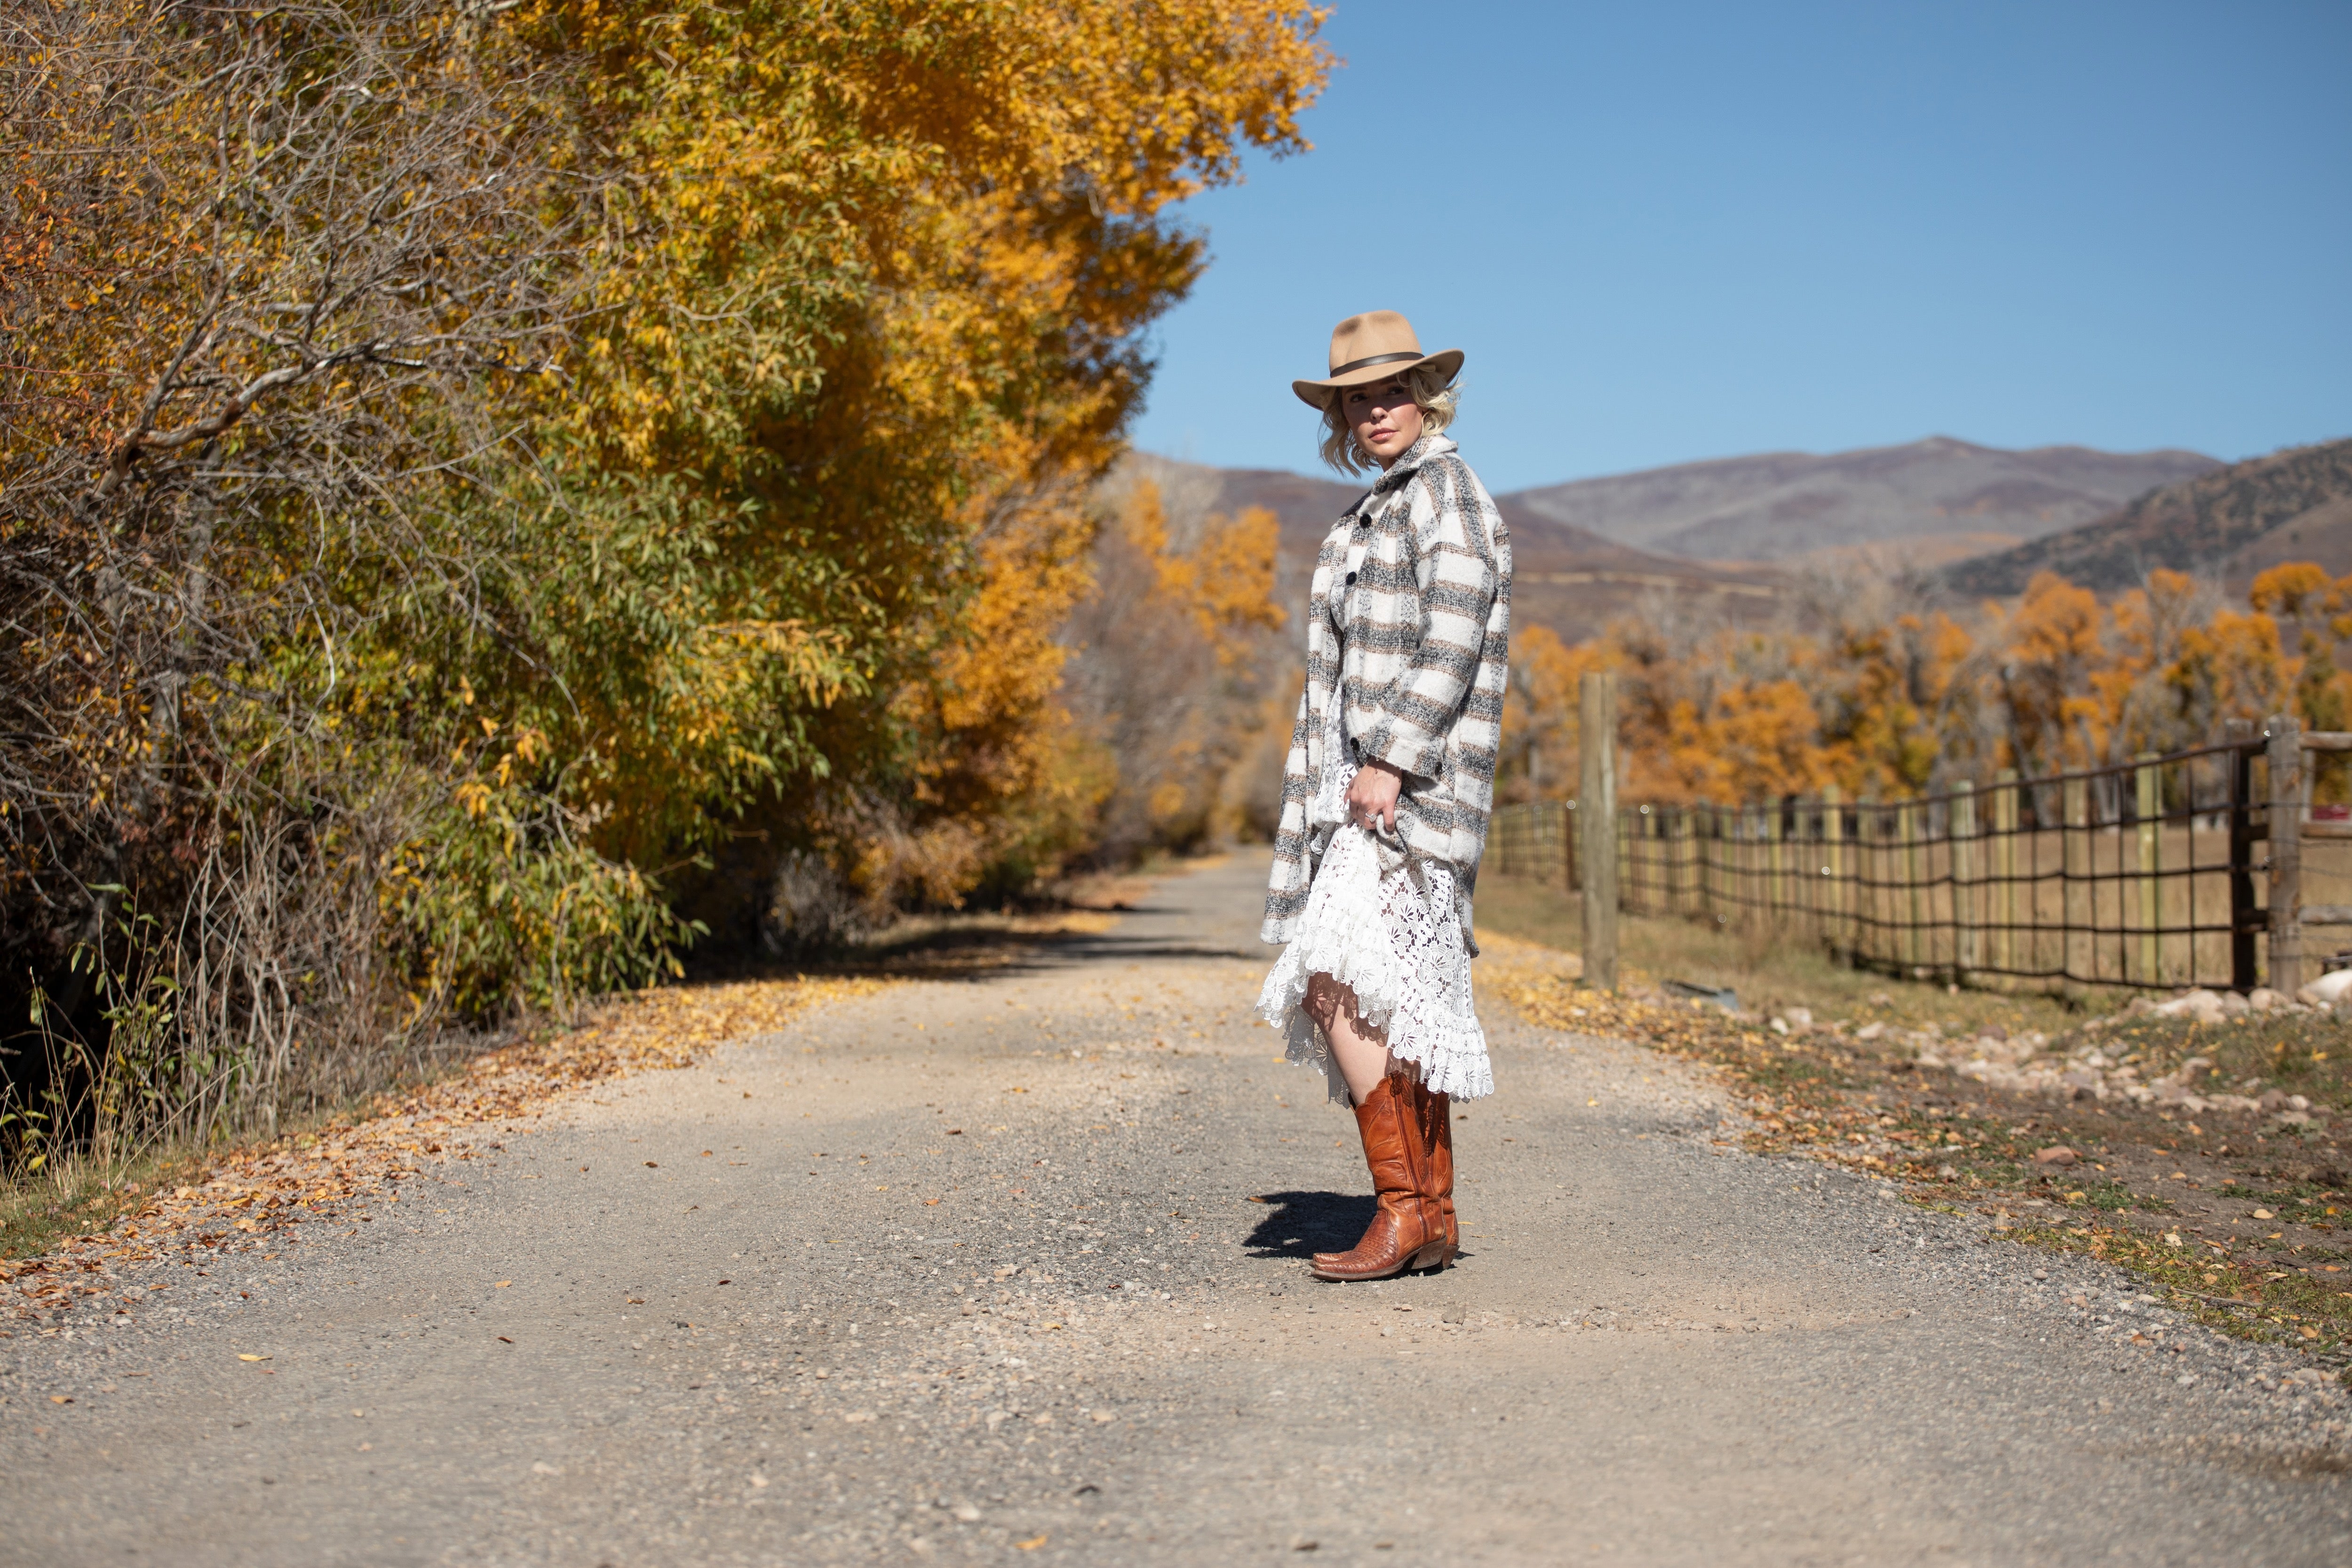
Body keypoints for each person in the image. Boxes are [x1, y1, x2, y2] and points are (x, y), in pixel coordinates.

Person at [1256, 310, 1511, 1281]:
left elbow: (1452, 632)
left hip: (1405, 793)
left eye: (1390, 391)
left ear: (1424, 397)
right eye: (1356, 397)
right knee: (1390, 997)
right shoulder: (1379, 507)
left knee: (1334, 983)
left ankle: (1401, 1210)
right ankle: (1429, 1215)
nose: (1375, 410)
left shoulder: (1443, 492)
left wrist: (1393, 760)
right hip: (1367, 793)